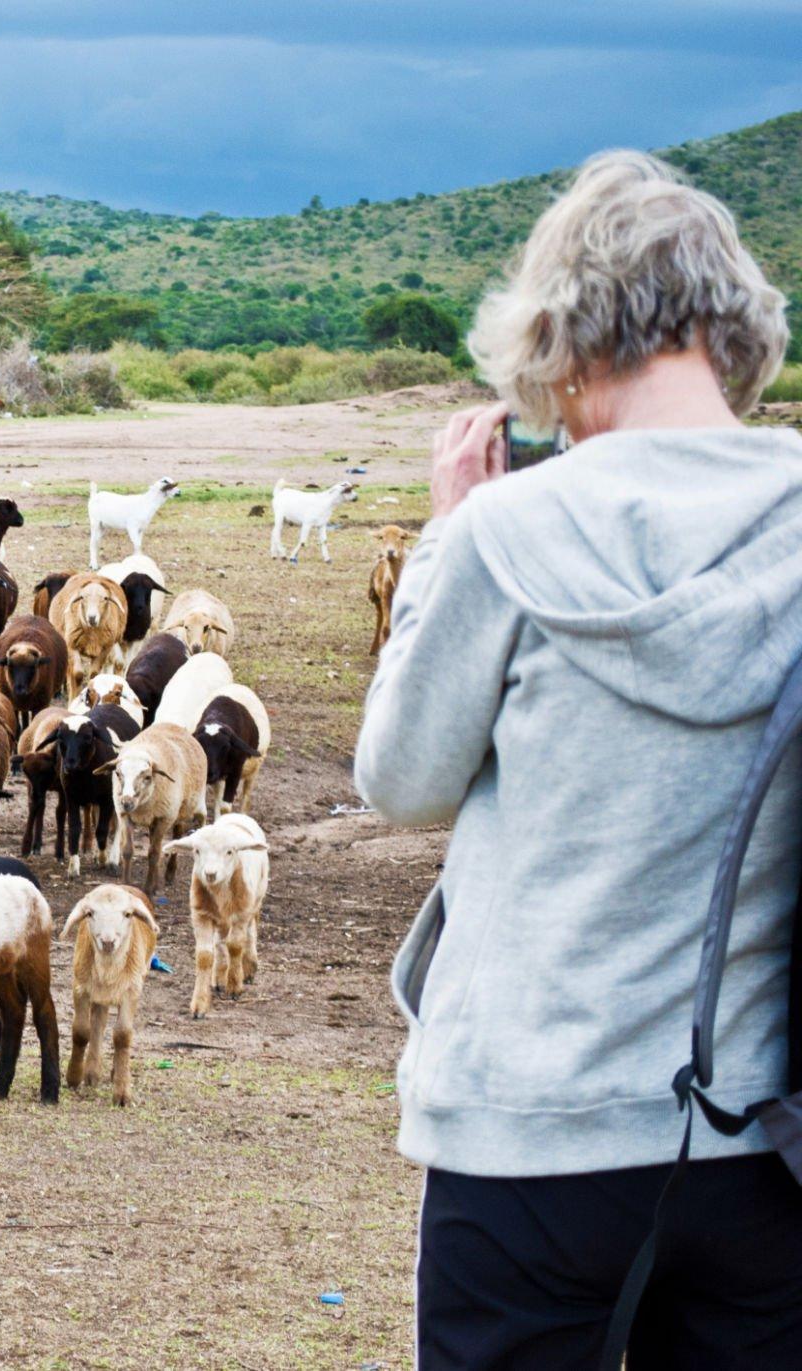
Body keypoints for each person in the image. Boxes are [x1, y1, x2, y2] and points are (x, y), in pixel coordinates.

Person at [356, 149, 802, 1367]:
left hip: (524, 1139)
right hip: (758, 1137)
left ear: (554, 335)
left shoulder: (506, 533)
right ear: (738, 331)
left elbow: (398, 780)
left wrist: (445, 538)